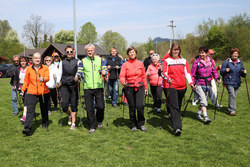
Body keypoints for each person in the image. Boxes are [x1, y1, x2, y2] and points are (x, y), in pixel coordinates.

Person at [162, 43, 195, 136]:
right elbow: (163, 72)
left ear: (179, 51)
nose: (176, 51)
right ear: (171, 51)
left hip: (182, 87)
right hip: (172, 86)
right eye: (174, 49)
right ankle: (177, 128)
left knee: (178, 106)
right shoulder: (167, 61)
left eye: (177, 49)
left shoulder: (184, 61)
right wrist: (168, 78)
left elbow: (188, 73)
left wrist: (191, 84)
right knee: (174, 106)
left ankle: (173, 118)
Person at [77, 44, 107, 134]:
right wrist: (79, 75)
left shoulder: (100, 60)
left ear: (94, 51)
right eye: (88, 51)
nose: (90, 52)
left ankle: (99, 120)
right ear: (86, 52)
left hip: (98, 86)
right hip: (87, 87)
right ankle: (92, 126)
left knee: (100, 106)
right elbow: (80, 71)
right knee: (89, 108)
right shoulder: (82, 61)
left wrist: (104, 72)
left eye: (91, 50)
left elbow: (105, 69)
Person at [120, 46, 148, 132]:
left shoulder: (140, 63)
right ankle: (133, 124)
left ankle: (141, 123)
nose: (132, 53)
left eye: (133, 52)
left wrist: (146, 87)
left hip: (140, 87)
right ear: (128, 54)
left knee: (139, 106)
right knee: (132, 107)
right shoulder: (125, 64)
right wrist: (123, 82)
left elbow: (143, 76)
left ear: (136, 53)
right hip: (129, 88)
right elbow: (121, 76)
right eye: (130, 52)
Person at [21, 53, 50, 136]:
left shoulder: (45, 68)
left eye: (39, 58)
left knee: (44, 109)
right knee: (30, 110)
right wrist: (23, 90)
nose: (37, 59)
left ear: (41, 59)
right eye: (36, 58)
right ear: (33, 60)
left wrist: (43, 79)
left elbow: (48, 77)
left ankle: (45, 122)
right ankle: (27, 128)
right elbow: (26, 80)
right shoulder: (29, 69)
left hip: (43, 91)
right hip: (31, 92)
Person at [191, 46, 221, 124]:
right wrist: (192, 84)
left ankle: (198, 114)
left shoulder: (210, 61)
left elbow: (214, 71)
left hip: (207, 83)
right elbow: (193, 74)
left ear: (206, 53)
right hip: (198, 84)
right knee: (204, 100)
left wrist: (217, 78)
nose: (201, 54)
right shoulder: (196, 62)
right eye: (200, 52)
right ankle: (206, 117)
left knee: (202, 100)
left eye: (203, 53)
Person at [57, 46, 81, 130]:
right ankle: (69, 115)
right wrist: (57, 82)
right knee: (64, 106)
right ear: (65, 53)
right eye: (68, 52)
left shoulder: (78, 61)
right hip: (64, 85)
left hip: (74, 85)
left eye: (71, 51)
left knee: (74, 105)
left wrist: (77, 76)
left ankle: (73, 123)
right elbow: (59, 73)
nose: (69, 53)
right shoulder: (62, 62)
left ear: (73, 52)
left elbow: (79, 71)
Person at [220, 48, 247, 116]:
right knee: (232, 95)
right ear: (231, 54)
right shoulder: (226, 62)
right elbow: (221, 72)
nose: (235, 55)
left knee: (233, 96)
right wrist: (225, 70)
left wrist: (244, 73)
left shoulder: (239, 62)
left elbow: (242, 73)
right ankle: (232, 110)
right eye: (234, 53)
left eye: (237, 53)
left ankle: (230, 108)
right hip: (229, 81)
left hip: (237, 82)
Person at [13, 56, 28, 122]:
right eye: (21, 61)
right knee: (24, 100)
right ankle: (28, 112)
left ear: (26, 61)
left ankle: (24, 115)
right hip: (20, 87)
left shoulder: (29, 68)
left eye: (24, 61)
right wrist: (14, 85)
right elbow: (15, 79)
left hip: (29, 87)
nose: (23, 63)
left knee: (27, 101)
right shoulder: (18, 69)